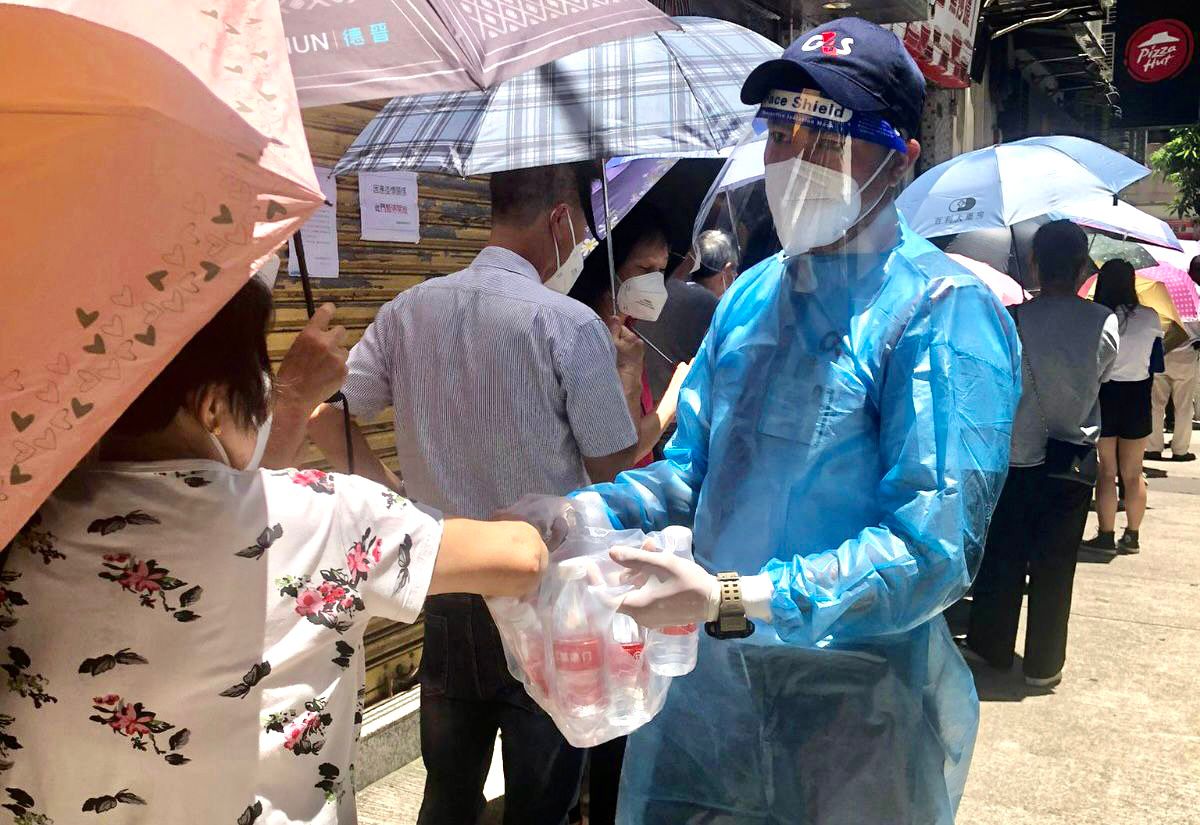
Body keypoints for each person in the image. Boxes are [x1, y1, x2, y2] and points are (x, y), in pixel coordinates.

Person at [520, 19, 1022, 823]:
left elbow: (929, 550)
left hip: (856, 711)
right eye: (782, 133)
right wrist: (582, 512)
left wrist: (732, 596)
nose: (797, 159)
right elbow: (694, 472)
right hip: (710, 701)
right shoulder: (752, 297)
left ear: (899, 158)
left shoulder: (939, 312)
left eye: (828, 138)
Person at [0, 278, 549, 824]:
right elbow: (520, 557)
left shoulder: (21, 526)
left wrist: (295, 400)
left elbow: (242, 515)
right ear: (213, 403)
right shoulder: (330, 514)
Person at [302, 163, 644, 825]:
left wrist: (393, 498)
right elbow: (612, 467)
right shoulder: (570, 325)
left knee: (449, 794)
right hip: (546, 597)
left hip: (448, 580)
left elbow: (324, 413)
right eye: (581, 226)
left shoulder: (408, 310)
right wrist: (627, 376)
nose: (581, 242)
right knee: (541, 804)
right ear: (560, 217)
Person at [967, 221, 1119, 686]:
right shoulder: (1103, 321)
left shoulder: (1013, 318)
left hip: (1016, 455)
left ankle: (992, 646)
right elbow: (1102, 375)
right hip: (1072, 457)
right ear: (1081, 266)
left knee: (1003, 554)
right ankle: (1044, 663)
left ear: (1034, 263)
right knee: (1057, 564)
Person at [569, 204, 690, 467]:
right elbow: (620, 455)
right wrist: (673, 397)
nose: (655, 282)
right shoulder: (592, 340)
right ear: (608, 266)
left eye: (661, 270)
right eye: (645, 269)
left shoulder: (628, 333)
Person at [1080, 259, 1163, 553]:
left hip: (1104, 395)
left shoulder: (1094, 316)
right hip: (1137, 396)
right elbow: (1157, 362)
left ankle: (1105, 535)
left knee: (1106, 470)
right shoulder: (1150, 317)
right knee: (1133, 472)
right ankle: (1132, 536)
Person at [1147, 256, 1200, 463]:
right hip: (1186, 358)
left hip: (1161, 354)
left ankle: (1153, 447)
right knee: (1184, 406)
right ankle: (1180, 450)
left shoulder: (1161, 293)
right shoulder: (1194, 295)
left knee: (1156, 404)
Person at [690, 229, 739, 299]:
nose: (736, 274)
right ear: (727, 271)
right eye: (733, 269)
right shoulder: (719, 305)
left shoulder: (676, 292)